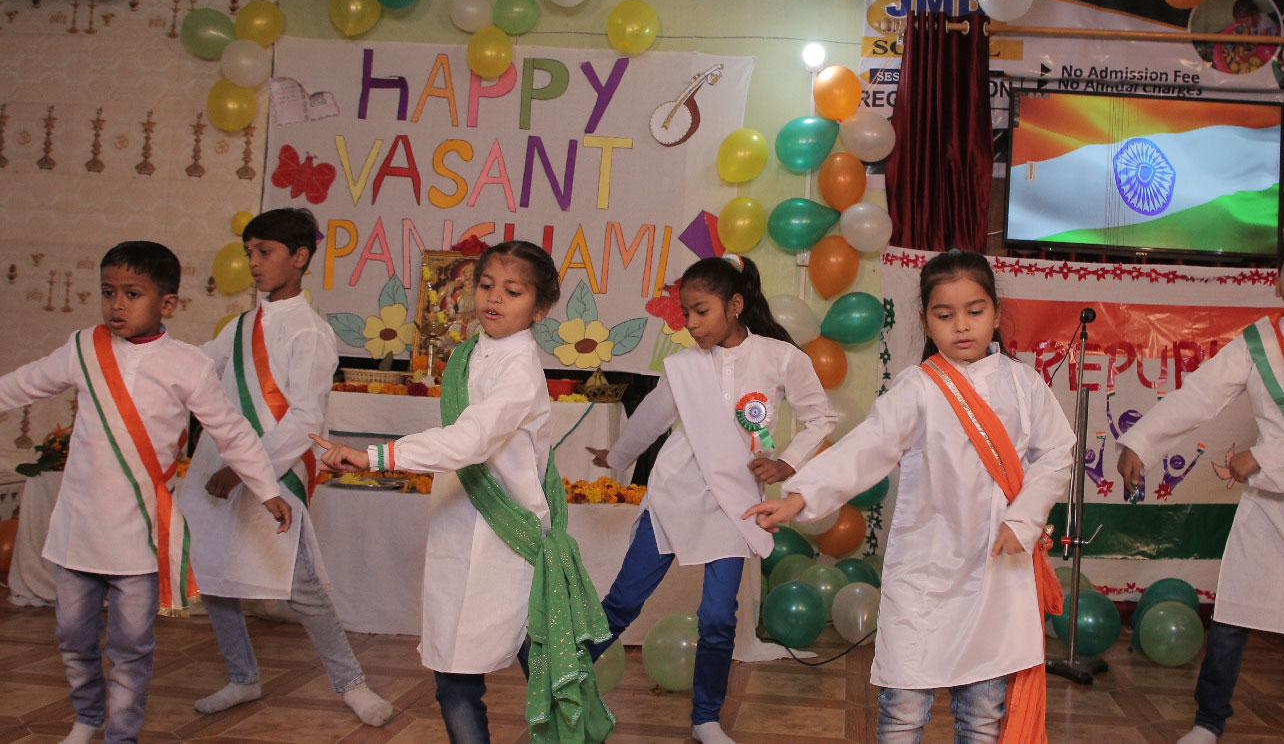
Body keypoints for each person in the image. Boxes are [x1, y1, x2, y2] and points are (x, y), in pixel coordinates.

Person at [0, 241, 292, 744]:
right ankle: (87, 716)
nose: (116, 305)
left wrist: (265, 487)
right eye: (108, 292)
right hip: (78, 529)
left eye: (132, 294)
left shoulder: (188, 365)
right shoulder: (84, 348)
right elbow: (29, 381)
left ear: (167, 303)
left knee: (132, 645)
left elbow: (231, 431)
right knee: (73, 635)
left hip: (139, 535)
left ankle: (121, 735)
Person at [744, 249, 1075, 744]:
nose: (961, 326)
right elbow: (868, 445)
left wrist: (1023, 520)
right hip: (926, 573)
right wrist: (800, 497)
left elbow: (1057, 455)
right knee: (902, 713)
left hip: (997, 573)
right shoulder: (918, 387)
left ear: (996, 313)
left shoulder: (1024, 385)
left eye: (975, 311)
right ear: (925, 320)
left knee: (982, 718)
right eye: (944, 315)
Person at [310, 240, 614, 744]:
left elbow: (469, 441)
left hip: (510, 539)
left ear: (539, 309)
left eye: (512, 291)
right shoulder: (471, 352)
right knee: (453, 674)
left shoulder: (518, 370)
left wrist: (375, 457)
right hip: (457, 527)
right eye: (486, 286)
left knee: (548, 666)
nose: (494, 298)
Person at [1115, 229, 1284, 744]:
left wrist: (1262, 457)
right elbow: (1200, 394)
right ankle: (1208, 722)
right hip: (1267, 506)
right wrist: (1141, 442)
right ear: (1277, 281)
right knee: (1232, 613)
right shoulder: (1260, 340)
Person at [585, 254, 838, 744]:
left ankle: (706, 720)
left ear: (735, 305)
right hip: (672, 496)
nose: (692, 324)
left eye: (701, 311)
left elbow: (821, 418)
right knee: (622, 602)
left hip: (734, 503)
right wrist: (614, 456)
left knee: (719, 619)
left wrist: (787, 463)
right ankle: (558, 684)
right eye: (687, 313)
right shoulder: (681, 367)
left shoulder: (780, 357)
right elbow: (650, 420)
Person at [182, 208, 395, 726]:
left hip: (269, 473)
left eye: (265, 252)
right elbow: (195, 368)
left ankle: (353, 686)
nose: (253, 262)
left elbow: (304, 418)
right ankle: (242, 677)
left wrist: (244, 470)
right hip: (217, 466)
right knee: (213, 574)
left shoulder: (311, 331)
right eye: (249, 252)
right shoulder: (240, 326)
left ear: (299, 257)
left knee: (301, 586)